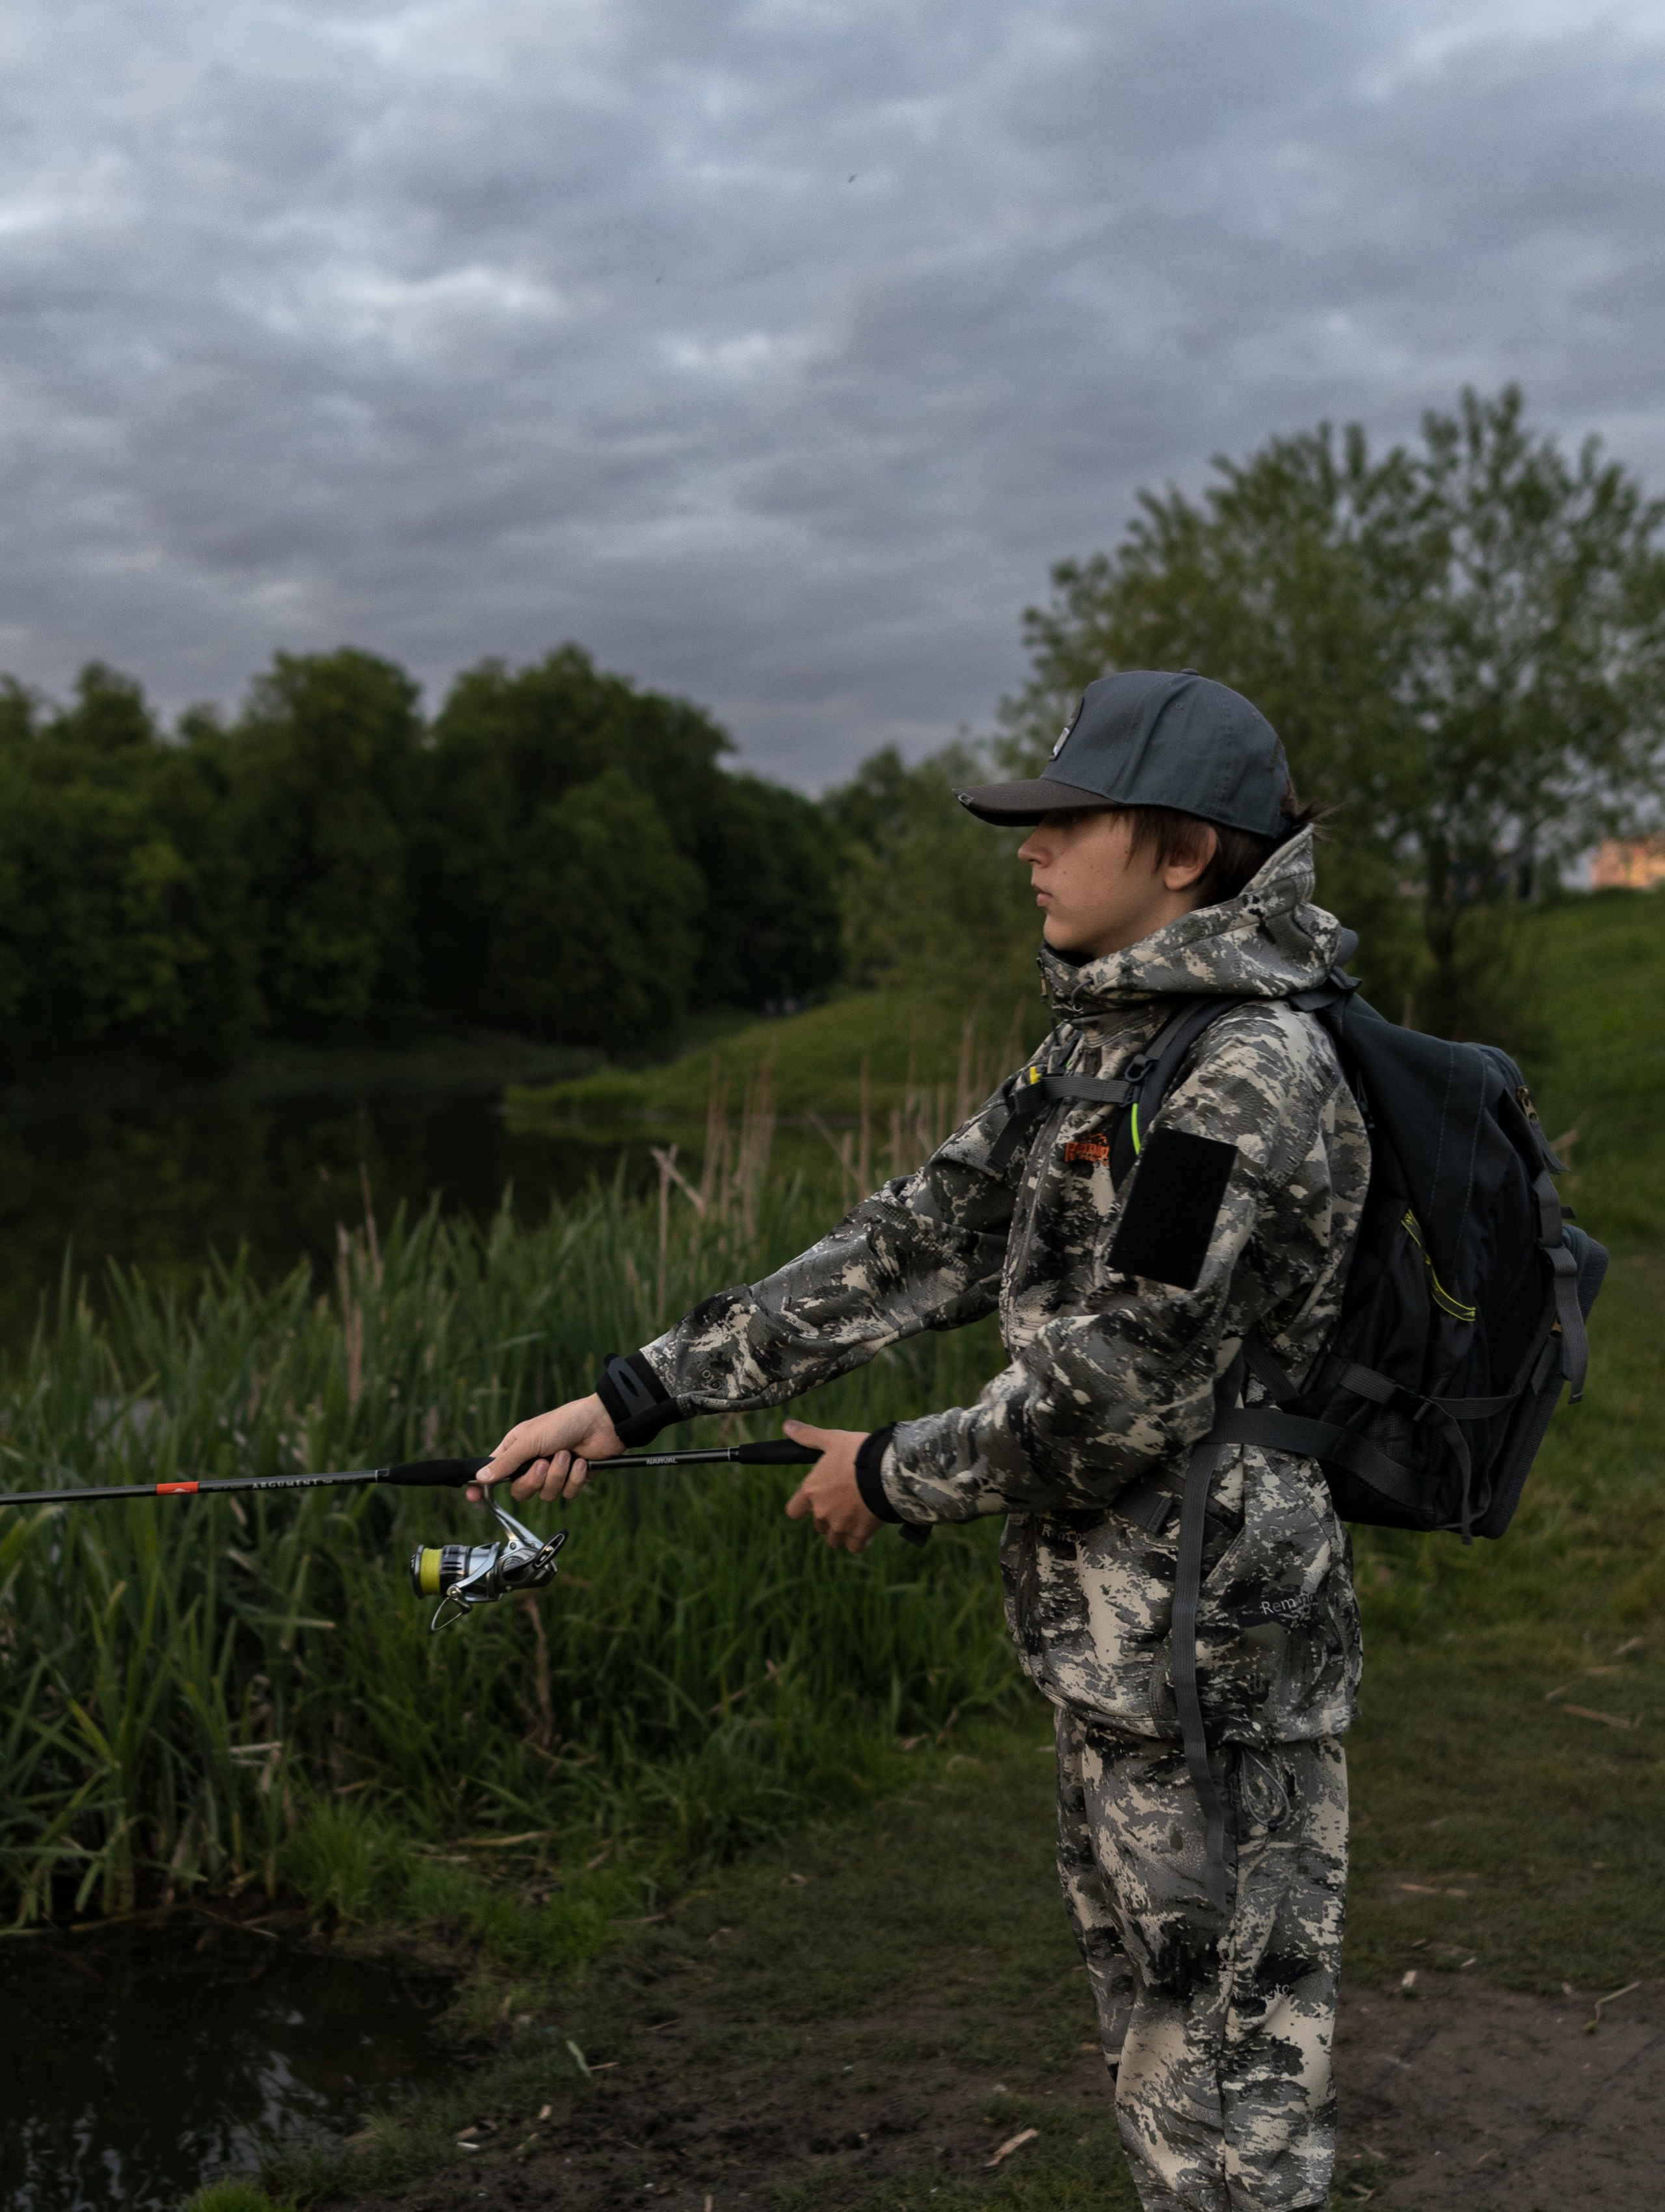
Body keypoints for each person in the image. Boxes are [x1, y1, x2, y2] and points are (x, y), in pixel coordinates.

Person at [470, 669, 1370, 2212]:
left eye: (1059, 820)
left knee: (1230, 2114)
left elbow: (1114, 1385)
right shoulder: (1101, 1050)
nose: (1025, 849)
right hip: (1110, 1660)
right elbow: (909, 1242)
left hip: (1214, 1676)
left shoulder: (1243, 1078)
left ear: (1180, 852)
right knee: (1160, 2076)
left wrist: (888, 1476)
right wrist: (632, 1399)